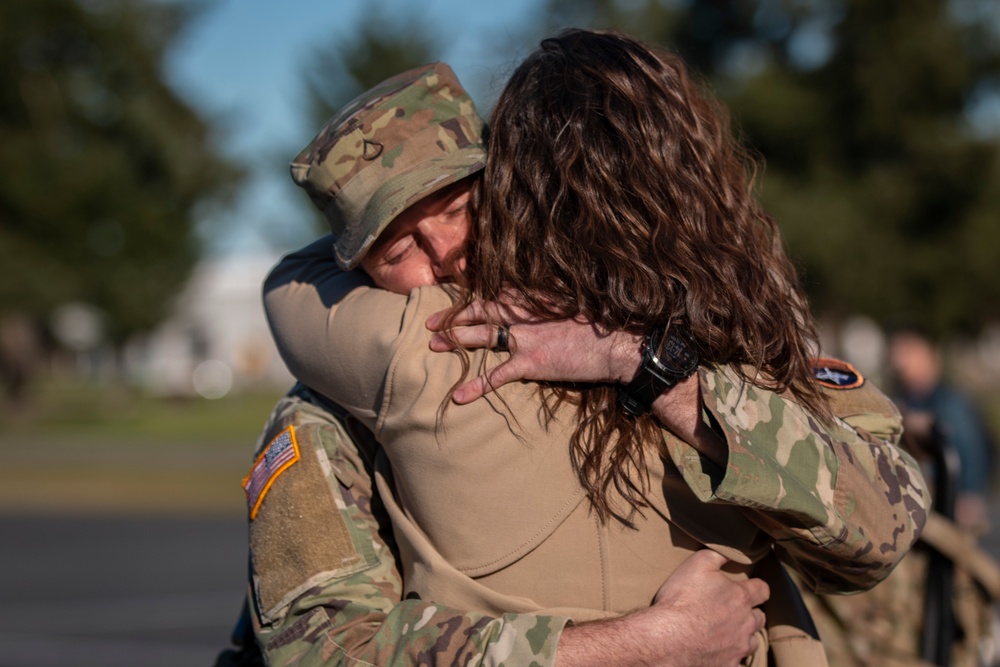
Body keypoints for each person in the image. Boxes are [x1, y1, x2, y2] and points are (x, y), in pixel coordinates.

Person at [256, 33, 928, 666]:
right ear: (355, 273)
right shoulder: (363, 379)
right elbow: (322, 647)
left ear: (517, 190)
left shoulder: (714, 327)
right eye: (396, 249)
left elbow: (883, 528)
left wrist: (651, 365)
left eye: (462, 207)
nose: (446, 254)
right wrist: (639, 644)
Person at [888, 328, 995, 531]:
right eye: (897, 354)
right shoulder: (900, 401)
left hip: (952, 505)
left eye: (909, 353)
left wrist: (969, 493)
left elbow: (972, 450)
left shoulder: (950, 404)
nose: (901, 362)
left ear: (930, 356)